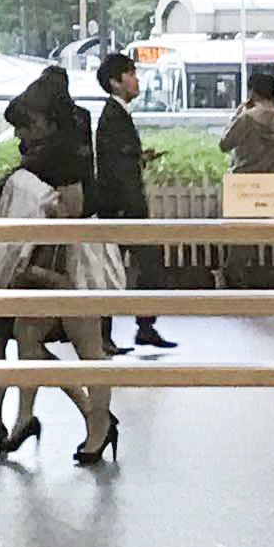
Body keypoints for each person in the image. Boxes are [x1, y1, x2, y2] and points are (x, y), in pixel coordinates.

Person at [0, 69, 122, 465]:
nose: (21, 134)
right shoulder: (59, 150)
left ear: (47, 121)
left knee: (85, 345)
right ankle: (73, 418)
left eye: (26, 125)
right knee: (31, 335)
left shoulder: (56, 160)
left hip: (70, 258)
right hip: (56, 258)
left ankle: (95, 425)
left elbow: (63, 212)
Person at [93, 51, 168, 349]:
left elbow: (119, 158)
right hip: (122, 208)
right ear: (115, 82)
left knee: (121, 267)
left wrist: (138, 157)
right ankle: (120, 331)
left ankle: (135, 328)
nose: (136, 80)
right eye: (131, 74)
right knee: (117, 269)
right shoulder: (114, 117)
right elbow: (116, 166)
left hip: (120, 207)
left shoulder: (117, 115)